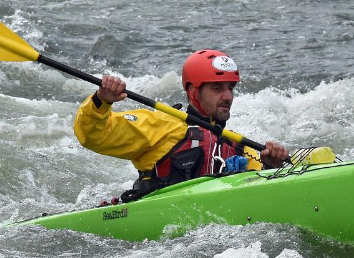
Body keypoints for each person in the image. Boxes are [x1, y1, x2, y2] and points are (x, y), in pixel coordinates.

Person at [74, 50, 289, 202]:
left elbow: (260, 191)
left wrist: (271, 167)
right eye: (217, 88)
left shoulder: (236, 144)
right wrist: (101, 100)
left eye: (230, 88)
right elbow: (94, 135)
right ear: (194, 92)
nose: (227, 96)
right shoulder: (160, 125)